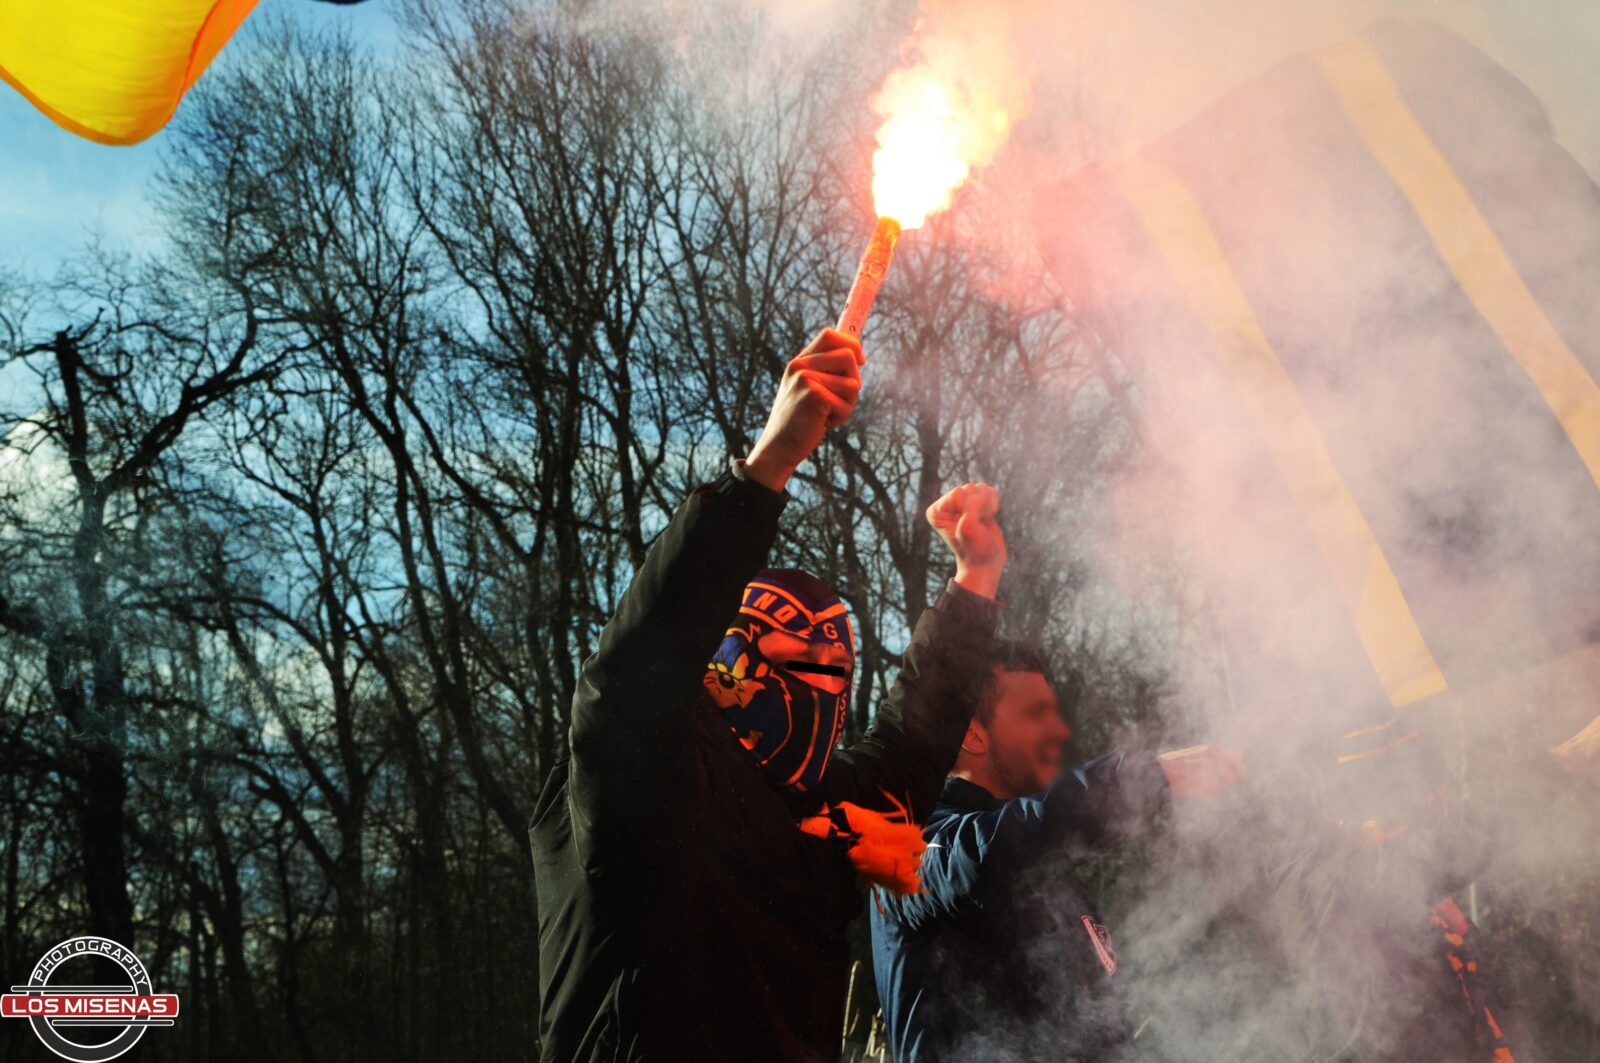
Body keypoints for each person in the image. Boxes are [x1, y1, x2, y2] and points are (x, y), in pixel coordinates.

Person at [530, 325, 1011, 1062]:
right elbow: (630, 676)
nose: (816, 686)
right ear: (725, 659)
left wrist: (973, 585)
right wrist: (766, 468)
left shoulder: (819, 812)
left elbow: (913, 745)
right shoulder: (641, 789)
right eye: (792, 658)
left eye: (833, 672)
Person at [870, 641, 1247, 1061]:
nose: (1057, 731)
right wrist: (1136, 777)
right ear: (973, 733)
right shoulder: (909, 838)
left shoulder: (1051, 868)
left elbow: (1102, 1028)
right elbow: (981, 858)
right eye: (1034, 714)